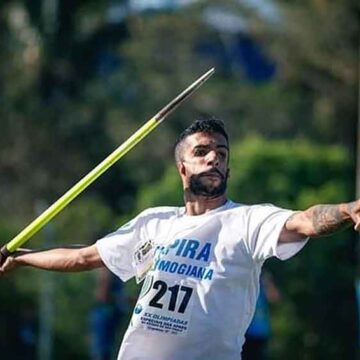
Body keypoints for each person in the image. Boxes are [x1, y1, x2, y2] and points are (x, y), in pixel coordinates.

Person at [1, 118, 359, 360]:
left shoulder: (248, 220)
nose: (214, 158)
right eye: (202, 152)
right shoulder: (153, 222)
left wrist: (346, 210)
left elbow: (305, 222)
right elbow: (83, 258)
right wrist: (21, 258)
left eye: (221, 154)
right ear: (182, 168)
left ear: (228, 169)